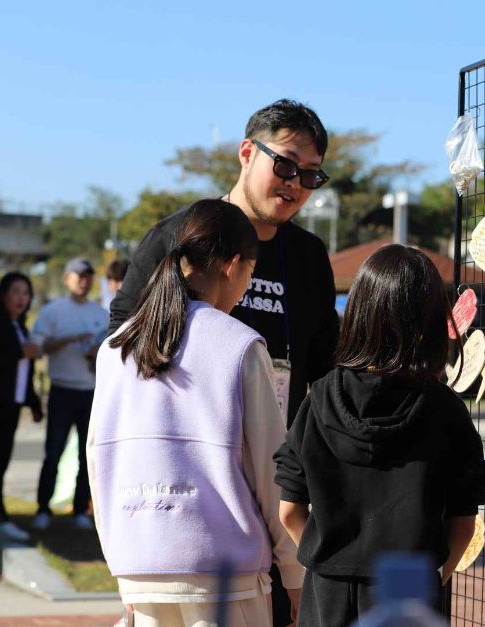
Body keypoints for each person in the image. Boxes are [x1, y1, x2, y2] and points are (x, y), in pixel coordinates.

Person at [109, 99, 338, 624]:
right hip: (191, 487)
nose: (295, 183)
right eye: (284, 164)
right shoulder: (181, 235)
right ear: (245, 153)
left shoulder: (307, 257)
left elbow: (325, 366)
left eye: (310, 175)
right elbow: (123, 342)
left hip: (280, 480)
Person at [88, 200, 301, 627]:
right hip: (225, 575)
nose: (245, 288)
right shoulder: (241, 344)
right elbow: (271, 471)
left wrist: (123, 567)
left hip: (138, 565)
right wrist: (294, 573)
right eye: (250, 275)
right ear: (233, 265)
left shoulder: (116, 347)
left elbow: (100, 461)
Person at [273, 244, 485, 627]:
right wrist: (438, 575)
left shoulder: (320, 398)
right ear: (431, 320)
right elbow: (464, 521)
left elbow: (289, 510)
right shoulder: (444, 409)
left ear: (359, 312)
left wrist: (326, 556)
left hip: (327, 591)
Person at [30, 257, 108, 530]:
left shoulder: (101, 313)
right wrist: (70, 340)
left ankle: (79, 509)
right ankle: (42, 508)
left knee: (87, 456)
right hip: (62, 389)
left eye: (88, 276)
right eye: (78, 276)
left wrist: (97, 352)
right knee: (53, 452)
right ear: (67, 279)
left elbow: (112, 351)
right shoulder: (53, 311)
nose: (83, 281)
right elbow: (38, 348)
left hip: (90, 391)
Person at [0, 272, 42, 541]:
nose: (22, 298)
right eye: (16, 292)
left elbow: (24, 372)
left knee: (3, 459)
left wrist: (33, 402)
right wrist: (20, 352)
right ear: (3, 295)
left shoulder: (22, 327)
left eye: (26, 293)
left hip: (13, 405)